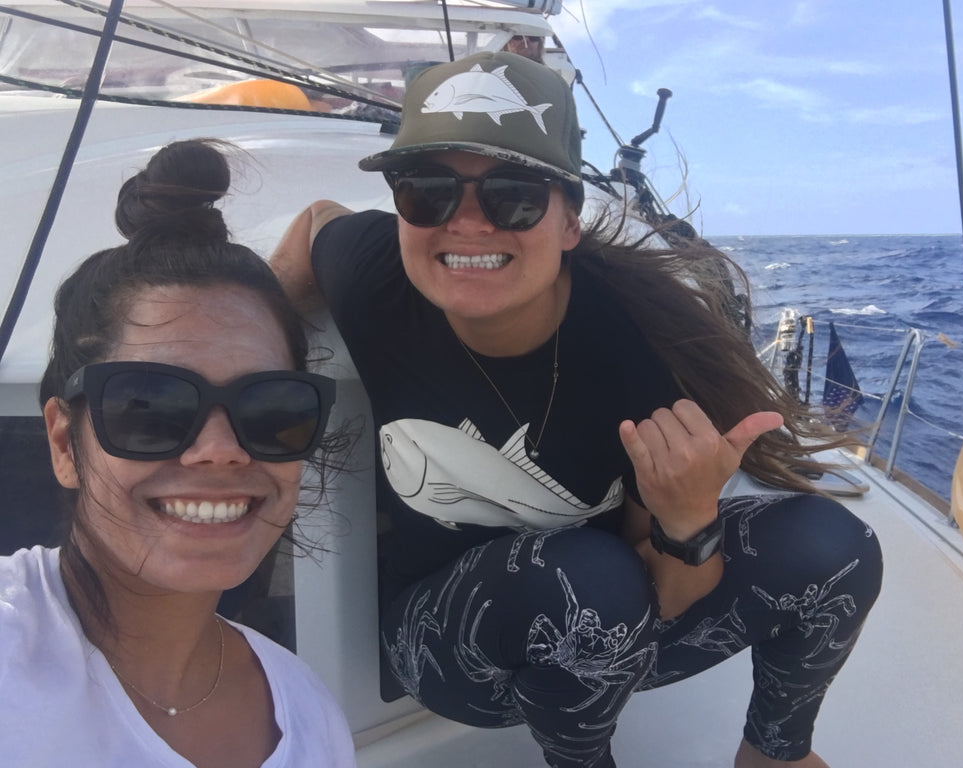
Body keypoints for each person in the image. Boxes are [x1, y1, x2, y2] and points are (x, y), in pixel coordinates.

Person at [271, 51, 883, 768]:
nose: (467, 224)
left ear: (569, 223)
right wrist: (255, 331)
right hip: (438, 650)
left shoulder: (641, 351)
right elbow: (319, 220)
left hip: (603, 628)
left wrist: (688, 517)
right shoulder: (375, 273)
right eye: (427, 191)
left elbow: (672, 595)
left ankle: (773, 754)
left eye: (514, 196)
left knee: (834, 547)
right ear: (401, 207)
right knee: (591, 582)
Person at [0, 139, 357, 767]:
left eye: (272, 409)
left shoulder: (310, 716)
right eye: (149, 406)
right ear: (64, 443)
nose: (219, 452)